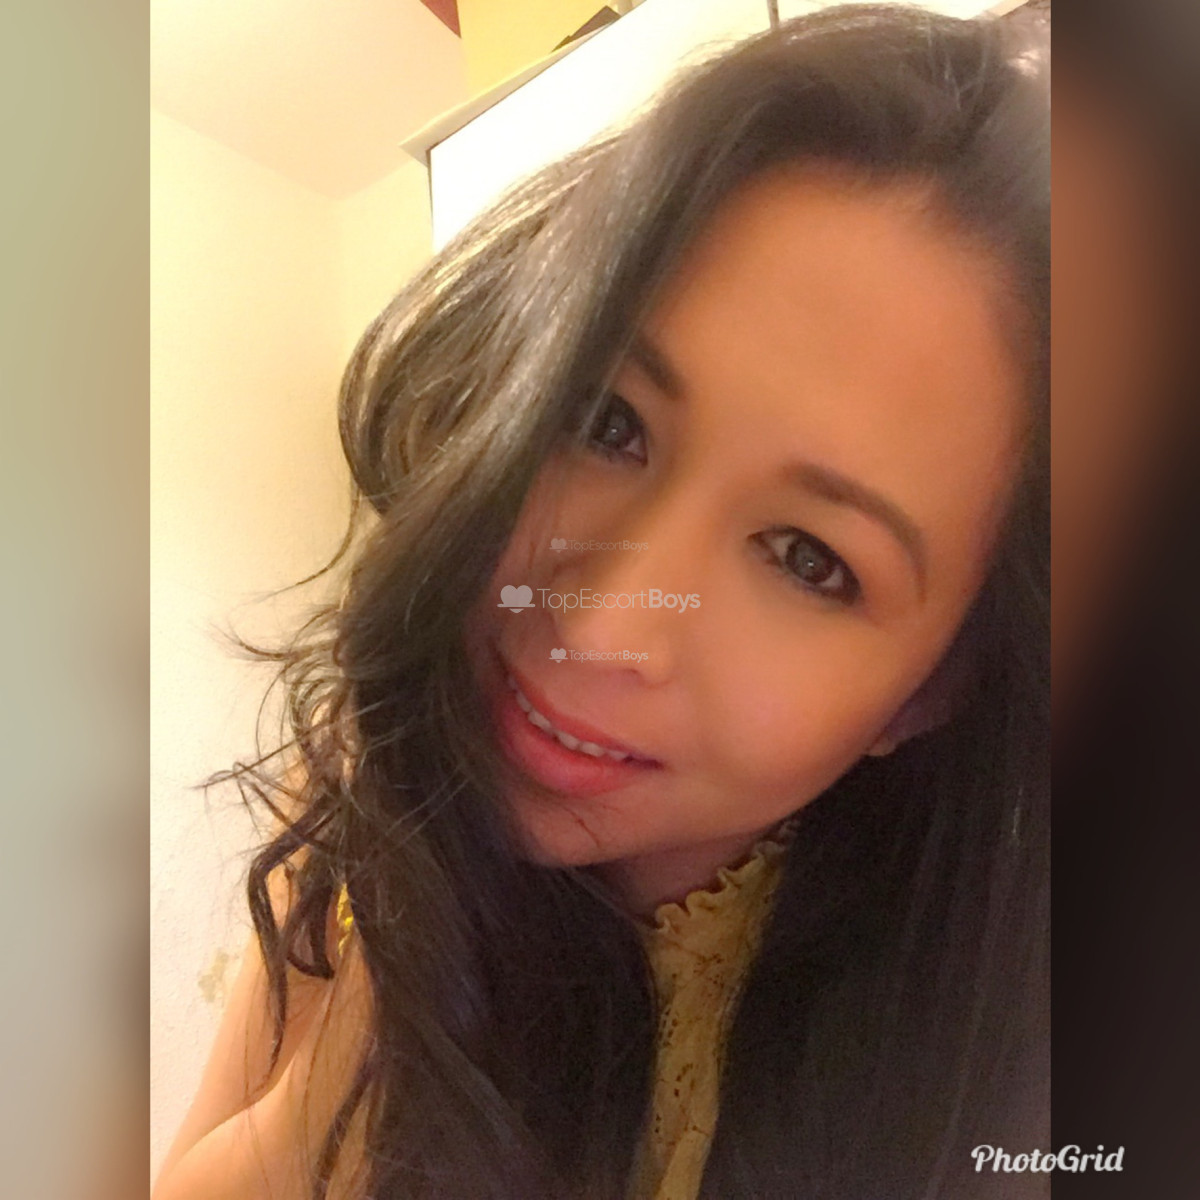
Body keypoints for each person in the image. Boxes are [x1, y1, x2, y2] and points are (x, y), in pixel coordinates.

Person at [153, 5, 1049, 1198]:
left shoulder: (997, 1057)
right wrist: (404, 985)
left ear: (934, 688)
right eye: (607, 421)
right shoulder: (364, 781)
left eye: (806, 558)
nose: (597, 624)